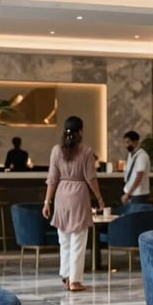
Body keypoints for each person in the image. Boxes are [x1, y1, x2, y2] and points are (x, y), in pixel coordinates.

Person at [43, 116, 106, 292]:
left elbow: (52, 179)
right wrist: (100, 198)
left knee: (64, 240)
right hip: (79, 195)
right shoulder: (86, 151)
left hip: (61, 195)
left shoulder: (56, 150)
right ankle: (75, 281)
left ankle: (65, 275)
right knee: (78, 239)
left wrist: (47, 202)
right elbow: (91, 178)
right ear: (80, 131)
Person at [121, 130, 150, 205]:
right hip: (131, 192)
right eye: (125, 143)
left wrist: (128, 194)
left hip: (138, 194)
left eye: (128, 142)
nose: (126, 145)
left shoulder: (142, 156)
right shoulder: (131, 155)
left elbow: (139, 177)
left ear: (135, 142)